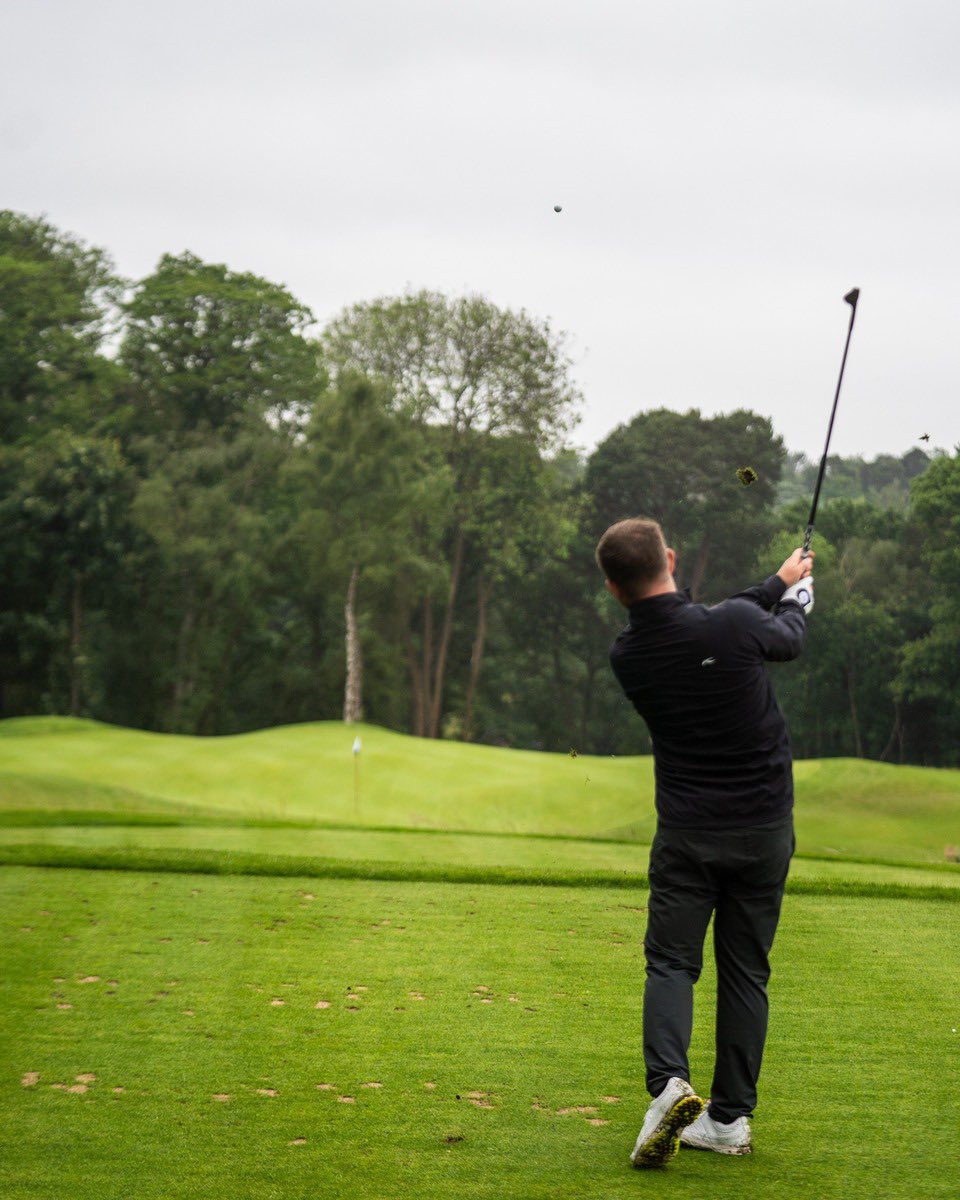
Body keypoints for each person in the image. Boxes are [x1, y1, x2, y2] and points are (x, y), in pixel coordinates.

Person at [594, 517, 814, 1168]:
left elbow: (720, 618)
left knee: (671, 964)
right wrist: (798, 599)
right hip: (764, 826)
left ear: (612, 588)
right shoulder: (731, 627)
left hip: (687, 833)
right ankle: (728, 1120)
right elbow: (780, 638)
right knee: (745, 970)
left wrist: (777, 579)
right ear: (670, 555)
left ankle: (667, 1086)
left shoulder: (628, 655)